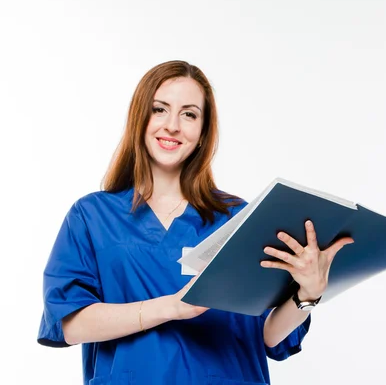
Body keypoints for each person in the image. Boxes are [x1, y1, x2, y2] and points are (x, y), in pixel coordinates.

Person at [38, 60, 352, 385]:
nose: (173, 125)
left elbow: (269, 336)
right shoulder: (92, 217)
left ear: (203, 131)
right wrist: (171, 307)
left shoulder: (238, 217)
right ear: (139, 119)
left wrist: (308, 294)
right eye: (160, 109)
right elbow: (70, 323)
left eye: (189, 114)